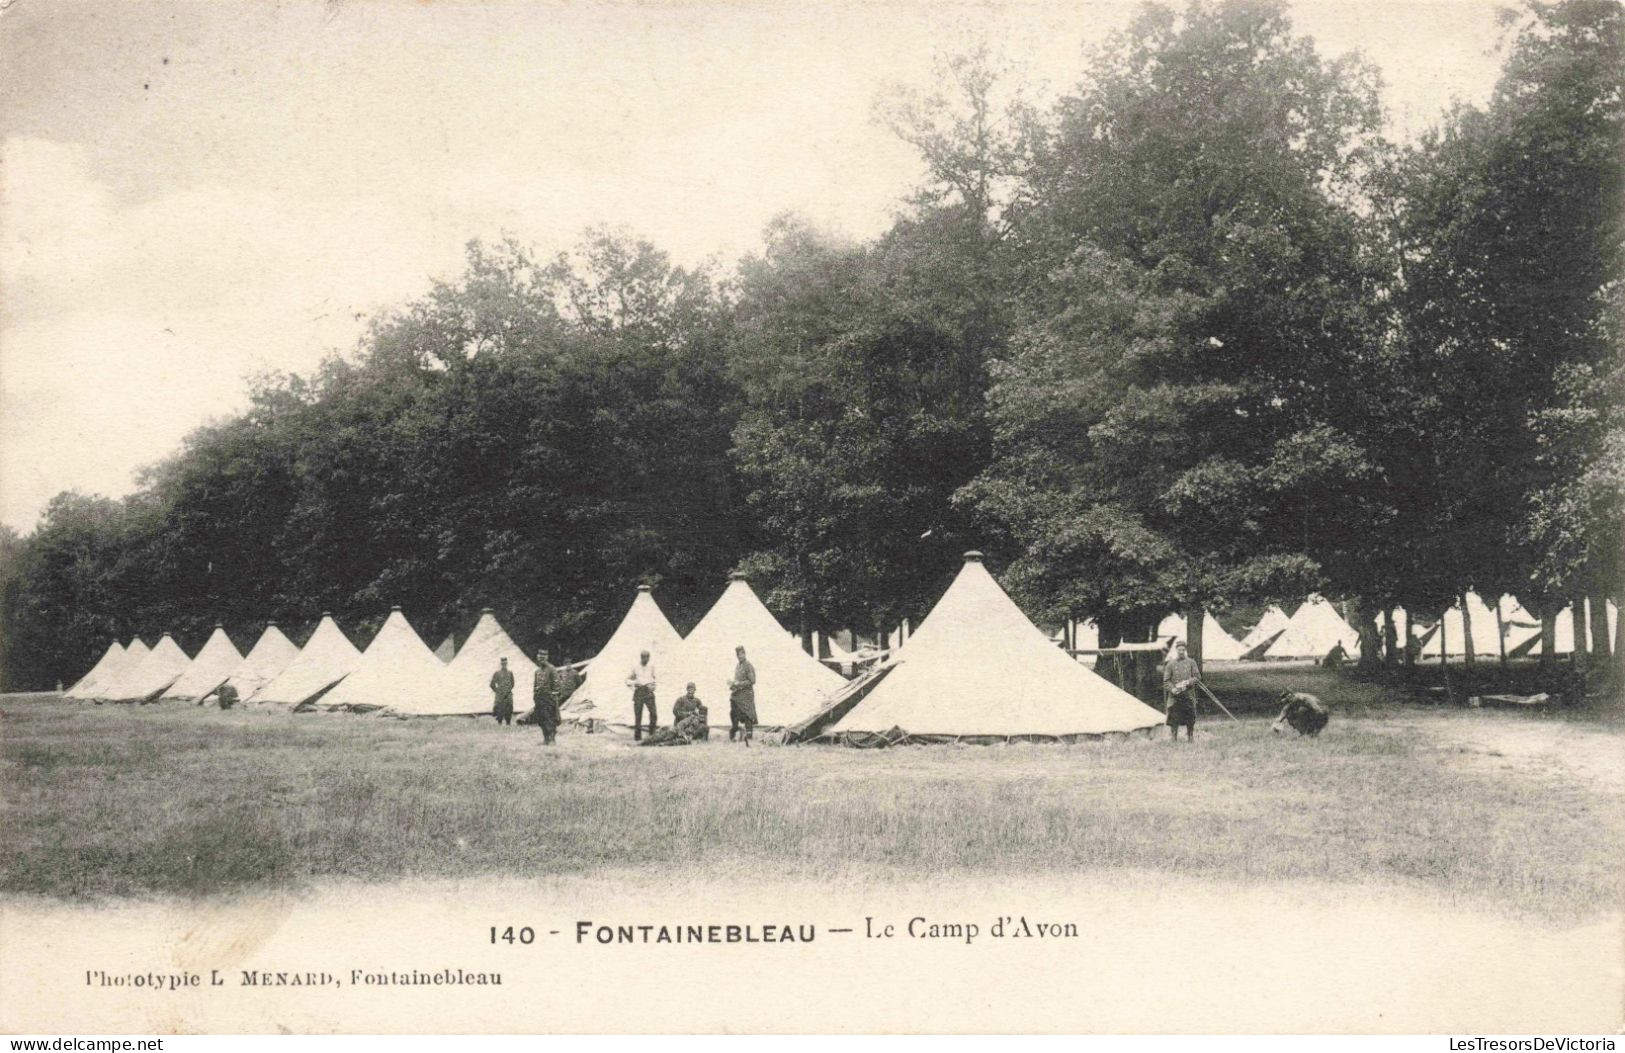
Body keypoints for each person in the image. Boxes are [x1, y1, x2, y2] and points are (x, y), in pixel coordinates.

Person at [639, 682, 709, 746]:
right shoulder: (681, 699)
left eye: (692, 689)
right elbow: (675, 711)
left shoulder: (697, 701)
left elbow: (702, 713)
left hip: (689, 726)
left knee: (679, 740)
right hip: (679, 724)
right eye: (689, 689)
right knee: (665, 735)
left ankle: (660, 744)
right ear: (687, 689)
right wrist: (688, 714)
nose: (691, 691)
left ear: (695, 690)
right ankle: (645, 742)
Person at [1162, 640, 1200, 742]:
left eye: (1183, 650)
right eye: (1179, 650)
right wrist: (1173, 689)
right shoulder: (1170, 664)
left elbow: (1197, 677)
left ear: (1185, 650)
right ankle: (1174, 737)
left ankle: (1190, 736)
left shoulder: (1191, 662)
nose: (1181, 652)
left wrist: (1188, 682)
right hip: (1175, 696)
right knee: (1174, 717)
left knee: (1190, 717)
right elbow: (1166, 681)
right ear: (1176, 650)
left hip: (1188, 694)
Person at [728, 644, 757, 745]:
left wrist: (739, 684)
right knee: (733, 712)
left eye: (741, 654)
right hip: (738, 694)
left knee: (747, 715)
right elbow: (737, 680)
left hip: (746, 695)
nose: (740, 656)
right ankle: (735, 730)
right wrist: (733, 685)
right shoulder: (738, 666)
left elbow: (752, 681)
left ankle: (749, 735)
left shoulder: (748, 665)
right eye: (738, 655)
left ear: (745, 654)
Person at [626, 650, 658, 741]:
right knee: (638, 714)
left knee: (653, 713)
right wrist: (635, 684)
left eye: (647, 657)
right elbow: (627, 680)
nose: (646, 659)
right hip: (639, 692)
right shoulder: (635, 667)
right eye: (644, 657)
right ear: (641, 657)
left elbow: (655, 678)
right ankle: (638, 736)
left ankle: (652, 735)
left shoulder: (651, 667)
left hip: (648, 691)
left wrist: (653, 686)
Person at [532, 649, 561, 745]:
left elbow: (557, 684)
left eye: (543, 657)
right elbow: (535, 685)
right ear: (537, 657)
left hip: (549, 699)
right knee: (541, 719)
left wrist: (553, 696)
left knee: (550, 719)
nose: (541, 659)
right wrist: (535, 696)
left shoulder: (552, 669)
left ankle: (552, 739)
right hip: (539, 699)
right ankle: (546, 739)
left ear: (547, 657)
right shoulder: (537, 671)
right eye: (540, 657)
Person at [490, 657, 516, 726]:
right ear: (501, 663)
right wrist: (497, 691)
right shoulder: (497, 673)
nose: (504, 664)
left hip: (508, 694)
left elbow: (513, 683)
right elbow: (492, 684)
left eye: (505, 662)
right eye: (502, 662)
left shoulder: (510, 673)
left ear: (507, 663)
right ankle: (499, 722)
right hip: (500, 695)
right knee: (500, 709)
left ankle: (508, 722)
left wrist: (508, 690)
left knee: (509, 708)